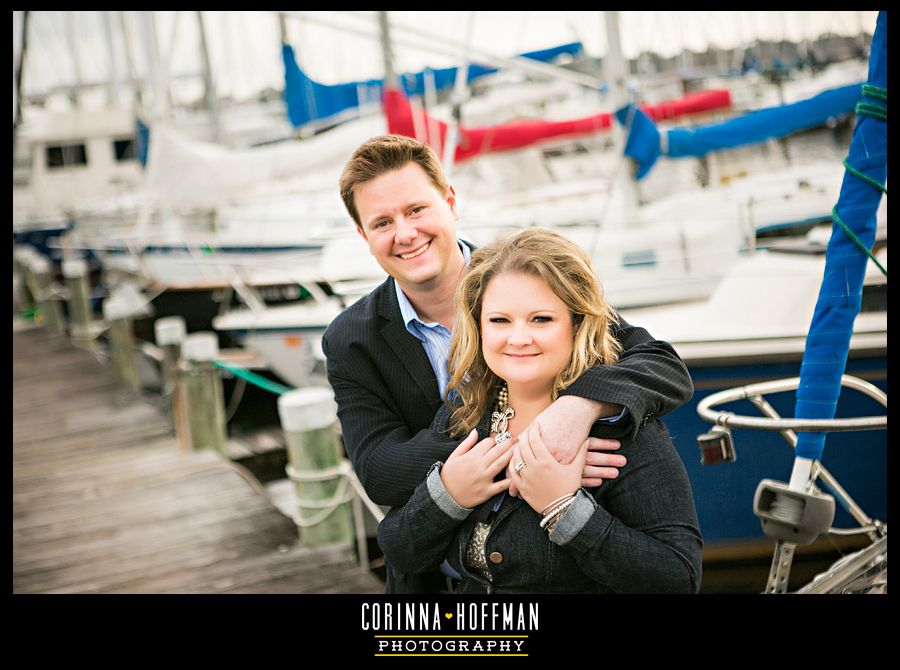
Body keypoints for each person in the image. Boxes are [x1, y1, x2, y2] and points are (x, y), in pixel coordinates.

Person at [321, 134, 694, 593]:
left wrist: (576, 411)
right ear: (364, 235)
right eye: (382, 221)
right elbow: (379, 471)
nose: (405, 233)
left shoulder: (522, 275)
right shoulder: (351, 339)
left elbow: (655, 362)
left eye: (416, 209)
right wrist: (514, 446)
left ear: (449, 201)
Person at [377, 228, 703, 593]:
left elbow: (678, 578)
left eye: (541, 319)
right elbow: (399, 550)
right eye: (500, 320)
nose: (518, 338)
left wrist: (564, 509)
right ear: (479, 326)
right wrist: (447, 496)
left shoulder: (619, 426)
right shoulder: (466, 411)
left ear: (576, 324)